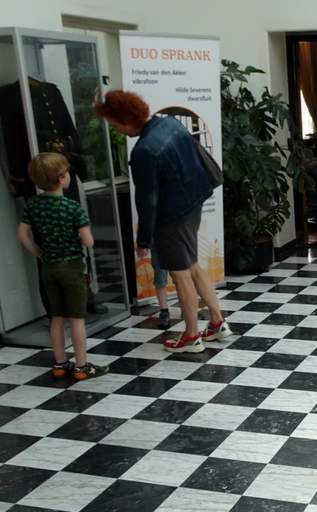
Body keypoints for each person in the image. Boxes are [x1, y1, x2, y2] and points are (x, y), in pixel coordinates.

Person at [94, 90, 231, 350]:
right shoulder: (170, 123)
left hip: (172, 217)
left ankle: (191, 337)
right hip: (194, 203)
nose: (117, 130)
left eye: (114, 124)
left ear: (125, 119)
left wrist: (143, 239)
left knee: (180, 276)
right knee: (192, 266)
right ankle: (217, 322)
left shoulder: (144, 150)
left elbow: (147, 200)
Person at [17, 152, 109, 381]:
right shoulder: (72, 207)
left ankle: (60, 364)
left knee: (57, 317)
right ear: (61, 179)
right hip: (71, 266)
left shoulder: (33, 205)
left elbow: (22, 234)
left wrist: (40, 253)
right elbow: (89, 241)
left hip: (49, 265)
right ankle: (81, 366)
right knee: (77, 319)